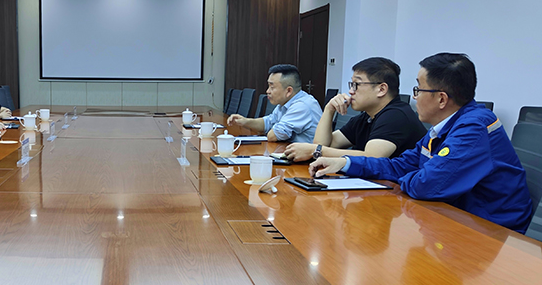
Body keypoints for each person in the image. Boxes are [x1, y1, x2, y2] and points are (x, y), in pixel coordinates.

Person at [310, 53, 533, 234]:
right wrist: (345, 163)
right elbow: (400, 165)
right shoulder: (441, 128)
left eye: (418, 89)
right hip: (455, 217)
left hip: (494, 230)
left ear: (441, 99)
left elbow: (427, 185)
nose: (414, 97)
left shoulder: (474, 128)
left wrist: (415, 175)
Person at [284, 57, 426, 162]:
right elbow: (325, 144)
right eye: (351, 85)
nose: (351, 91)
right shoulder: (367, 117)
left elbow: (371, 157)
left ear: (381, 89)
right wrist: (329, 110)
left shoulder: (396, 115)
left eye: (356, 85)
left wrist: (316, 151)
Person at [226, 64, 322, 143]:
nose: (267, 91)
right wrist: (245, 121)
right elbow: (268, 122)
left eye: (272, 87)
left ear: (288, 91)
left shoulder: (302, 106)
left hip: (307, 159)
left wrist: (273, 129)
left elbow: (273, 136)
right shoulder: (285, 103)